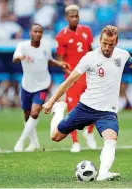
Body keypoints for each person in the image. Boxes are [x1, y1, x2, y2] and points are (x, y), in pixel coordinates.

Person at [42, 25, 132, 181]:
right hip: (85, 107)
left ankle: (103, 172)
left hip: (107, 112)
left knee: (111, 137)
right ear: (100, 40)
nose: (107, 47)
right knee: (55, 137)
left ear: (116, 42)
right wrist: (51, 101)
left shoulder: (122, 55)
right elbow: (69, 81)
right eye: (104, 43)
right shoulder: (90, 58)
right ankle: (59, 111)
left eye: (111, 44)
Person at [13, 23, 69, 152]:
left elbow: (48, 60)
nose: (38, 34)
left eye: (40, 32)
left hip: (42, 85)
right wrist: (19, 57)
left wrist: (59, 64)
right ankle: (34, 143)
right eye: (35, 31)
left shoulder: (46, 46)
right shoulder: (23, 46)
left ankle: (20, 142)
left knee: (34, 112)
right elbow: (15, 58)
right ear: (30, 33)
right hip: (27, 85)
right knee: (27, 115)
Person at [55, 4, 96, 152]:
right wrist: (65, 68)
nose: (74, 19)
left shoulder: (86, 31)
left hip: (88, 75)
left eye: (76, 16)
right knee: (72, 109)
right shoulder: (61, 36)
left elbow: (91, 51)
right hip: (72, 77)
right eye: (71, 16)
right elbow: (60, 59)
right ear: (66, 18)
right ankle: (75, 141)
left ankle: (89, 132)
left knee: (96, 103)